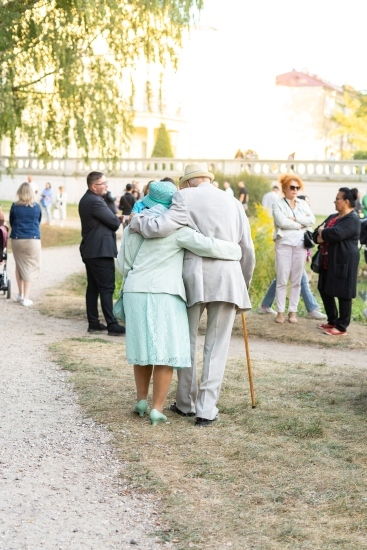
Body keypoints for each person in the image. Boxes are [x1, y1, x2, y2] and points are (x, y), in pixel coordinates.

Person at [130, 162, 255, 427]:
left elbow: (159, 228)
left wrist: (137, 220)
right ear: (208, 179)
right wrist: (244, 282)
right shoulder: (233, 201)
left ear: (187, 182)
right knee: (217, 346)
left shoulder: (183, 196)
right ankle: (206, 409)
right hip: (228, 278)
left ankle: (185, 402)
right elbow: (247, 248)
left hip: (194, 278)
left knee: (186, 341)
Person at [78, 171, 125, 336]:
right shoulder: (96, 202)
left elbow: (107, 219)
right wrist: (114, 218)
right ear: (94, 186)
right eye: (103, 183)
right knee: (106, 288)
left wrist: (113, 217)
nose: (106, 186)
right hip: (100, 251)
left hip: (91, 249)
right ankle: (112, 325)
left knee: (93, 288)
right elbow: (113, 223)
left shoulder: (87, 199)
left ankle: (94, 323)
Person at [313, 187, 361, 336]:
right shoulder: (333, 217)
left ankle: (341, 327)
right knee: (324, 289)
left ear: (346, 202)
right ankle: (332, 320)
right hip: (328, 261)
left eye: (337, 198)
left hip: (344, 261)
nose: (335, 201)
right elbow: (315, 234)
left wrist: (323, 232)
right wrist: (321, 233)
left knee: (343, 293)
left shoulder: (352, 219)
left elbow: (335, 233)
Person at [272, 174, 315, 324]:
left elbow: (312, 220)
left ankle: (293, 312)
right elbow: (281, 222)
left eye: (297, 187)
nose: (295, 190)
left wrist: (295, 219)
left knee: (296, 280)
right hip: (283, 243)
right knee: (282, 279)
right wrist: (301, 225)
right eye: (292, 187)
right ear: (284, 188)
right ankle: (280, 312)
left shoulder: (302, 204)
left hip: (301, 244)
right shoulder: (277, 204)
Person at [9, 182, 42, 306]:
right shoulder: (37, 207)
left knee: (19, 264)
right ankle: (26, 298)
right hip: (32, 239)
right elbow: (38, 221)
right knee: (29, 266)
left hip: (17, 238)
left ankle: (20, 294)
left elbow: (12, 222)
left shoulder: (14, 206)